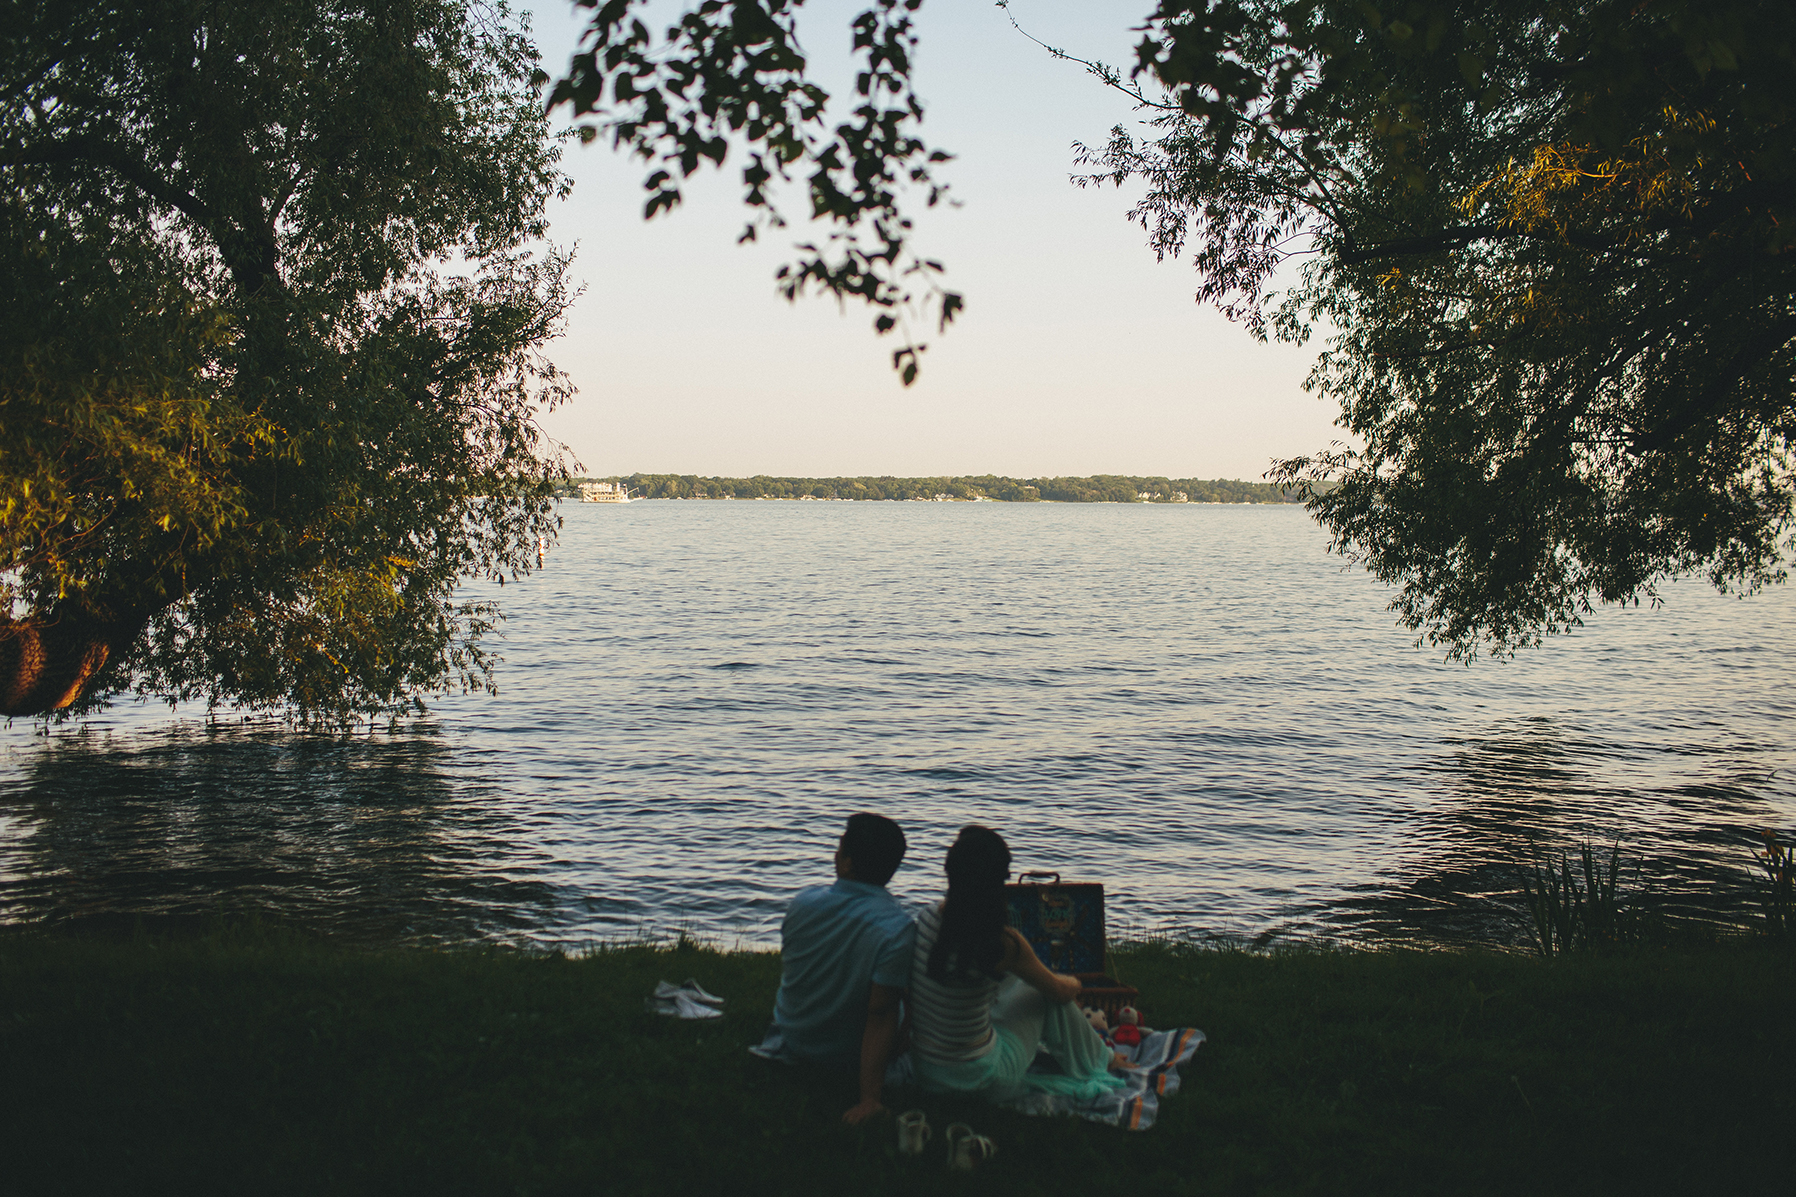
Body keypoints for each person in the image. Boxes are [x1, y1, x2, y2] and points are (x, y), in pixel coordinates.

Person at [908, 824, 1129, 1101]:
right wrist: (1074, 982)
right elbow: (1060, 993)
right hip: (983, 1080)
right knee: (1043, 992)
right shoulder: (1001, 943)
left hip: (927, 1075)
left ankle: (1096, 1056)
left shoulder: (926, 918)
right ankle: (1102, 1059)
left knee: (1018, 984)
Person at [751, 812, 916, 1125]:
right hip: (846, 1052)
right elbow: (881, 1014)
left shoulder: (803, 903)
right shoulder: (897, 929)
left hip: (796, 1036)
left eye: (840, 848)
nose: (835, 854)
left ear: (848, 862)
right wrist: (870, 1098)